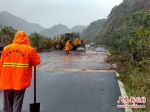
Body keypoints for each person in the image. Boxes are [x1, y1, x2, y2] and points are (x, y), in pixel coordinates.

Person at [0, 31, 41, 112]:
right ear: (26, 39)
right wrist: (35, 52)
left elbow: (1, 64)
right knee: (17, 102)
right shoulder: (29, 50)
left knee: (7, 102)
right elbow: (36, 62)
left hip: (7, 79)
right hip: (20, 80)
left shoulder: (6, 48)